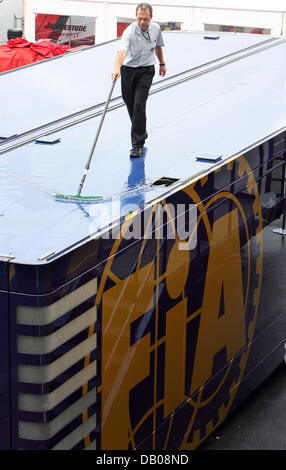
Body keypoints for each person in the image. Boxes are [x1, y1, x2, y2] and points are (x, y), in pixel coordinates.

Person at [112, 3, 166, 157]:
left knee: (139, 106)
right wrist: (117, 68)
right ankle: (141, 130)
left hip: (147, 70)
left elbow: (158, 47)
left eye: (146, 19)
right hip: (128, 70)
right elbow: (121, 52)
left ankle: (137, 145)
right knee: (130, 103)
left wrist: (162, 63)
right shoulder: (129, 31)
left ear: (151, 18)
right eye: (139, 19)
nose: (142, 22)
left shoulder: (156, 28)